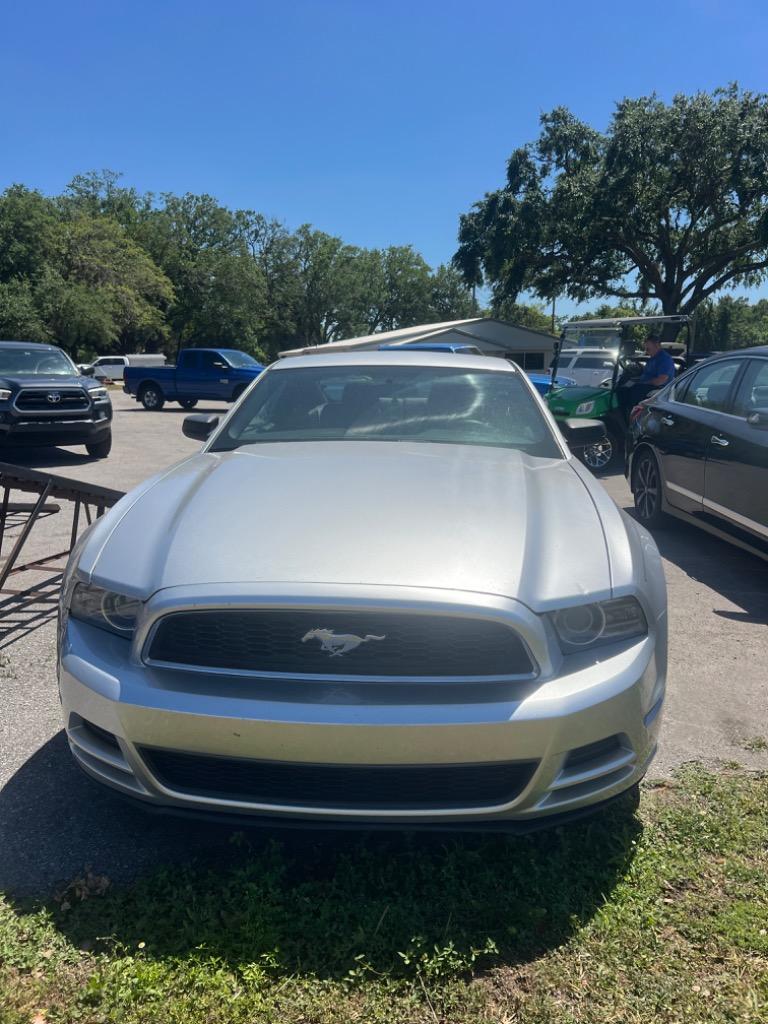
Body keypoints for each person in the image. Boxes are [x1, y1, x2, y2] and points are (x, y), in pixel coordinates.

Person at [617, 337, 676, 419]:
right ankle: (624, 416)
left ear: (657, 346)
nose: (646, 351)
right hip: (646, 384)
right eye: (645, 349)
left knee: (631, 393)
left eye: (648, 349)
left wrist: (645, 382)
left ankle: (631, 419)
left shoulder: (664, 359)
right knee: (621, 389)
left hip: (657, 388)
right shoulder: (653, 358)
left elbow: (662, 379)